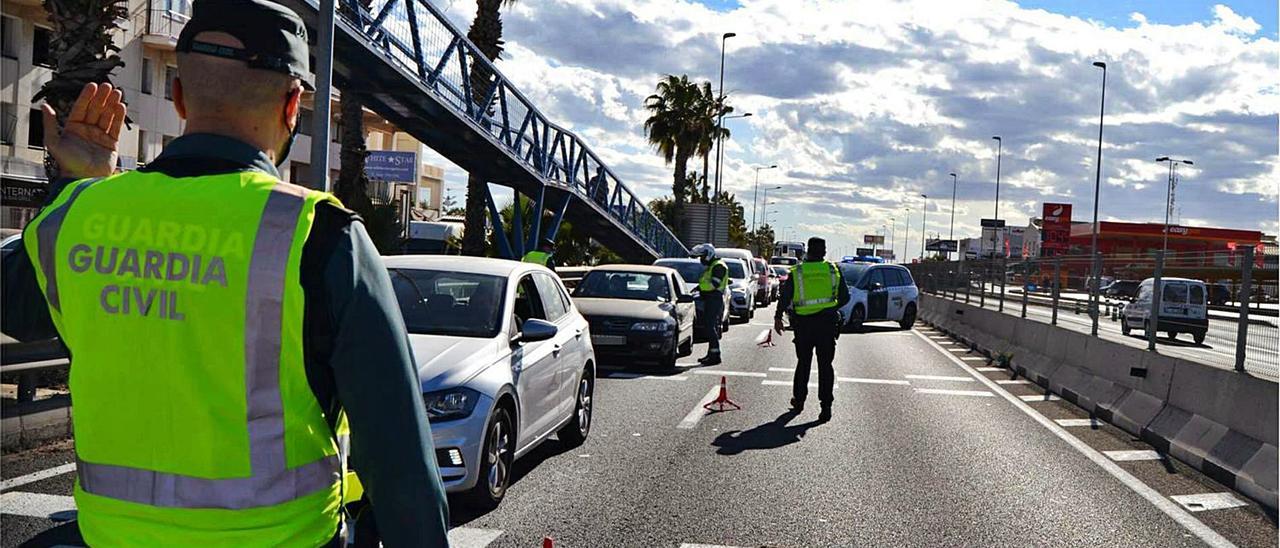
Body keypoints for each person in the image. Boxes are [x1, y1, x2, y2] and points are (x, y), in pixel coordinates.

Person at [1, 1, 449, 545]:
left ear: (180, 97)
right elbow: (397, 456)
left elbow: (17, 310)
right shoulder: (320, 234)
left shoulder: (76, 218)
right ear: (293, 105)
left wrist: (74, 184)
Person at [773, 237, 850, 422]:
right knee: (825, 366)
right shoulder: (833, 270)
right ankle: (826, 407)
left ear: (808, 251)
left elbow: (785, 296)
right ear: (824, 251)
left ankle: (799, 401)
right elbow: (845, 297)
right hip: (827, 325)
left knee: (803, 364)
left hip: (804, 325)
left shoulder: (798, 271)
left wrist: (778, 317)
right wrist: (829, 309)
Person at [691, 243, 728, 365]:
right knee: (709, 326)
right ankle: (712, 354)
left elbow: (713, 284)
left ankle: (715, 355)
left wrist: (701, 288)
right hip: (710, 298)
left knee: (710, 326)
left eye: (702, 256)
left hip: (714, 298)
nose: (701, 259)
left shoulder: (718, 266)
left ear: (709, 254)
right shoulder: (713, 265)